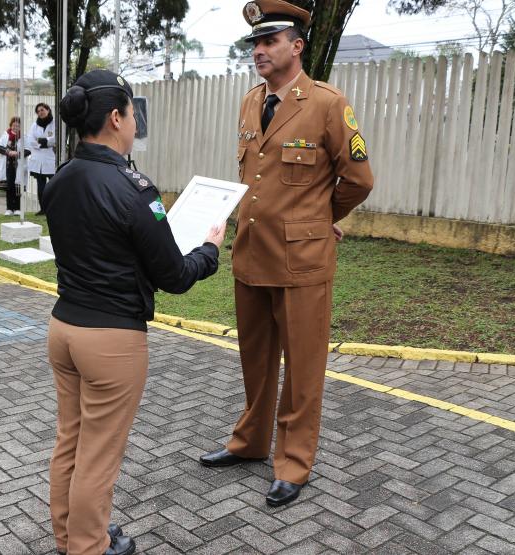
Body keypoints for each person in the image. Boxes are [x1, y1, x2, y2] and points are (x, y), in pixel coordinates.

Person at [199, 0, 374, 508]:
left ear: (296, 46)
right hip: (252, 253)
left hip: (302, 261)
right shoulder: (251, 101)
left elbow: (359, 178)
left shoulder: (326, 103)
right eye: (254, 42)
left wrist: (320, 220)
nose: (258, 51)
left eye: (269, 41)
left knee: (301, 367)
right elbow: (253, 179)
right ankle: (250, 442)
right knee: (254, 359)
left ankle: (294, 462)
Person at [44, 69, 224, 555]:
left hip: (64, 327)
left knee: (71, 442)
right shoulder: (133, 188)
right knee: (98, 456)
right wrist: (209, 250)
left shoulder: (60, 178)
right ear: (116, 118)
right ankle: (88, 547)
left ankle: (73, 537)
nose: (134, 122)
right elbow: (174, 276)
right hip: (111, 339)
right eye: (130, 113)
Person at [28, 102, 56, 215]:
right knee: (41, 186)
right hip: (38, 159)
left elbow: (55, 138)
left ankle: (53, 208)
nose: (40, 112)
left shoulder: (54, 124)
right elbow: (31, 140)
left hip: (50, 158)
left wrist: (45, 141)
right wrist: (43, 143)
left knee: (53, 185)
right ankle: (43, 209)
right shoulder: (34, 125)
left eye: (42, 110)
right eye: (38, 111)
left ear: (48, 110)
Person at [0, 116, 28, 216]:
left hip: (19, 166)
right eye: (14, 125)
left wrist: (18, 154)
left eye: (18, 125)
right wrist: (8, 152)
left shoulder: (24, 136)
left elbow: (28, 150)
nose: (15, 127)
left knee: (17, 187)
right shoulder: (5, 135)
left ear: (20, 127)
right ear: (11, 125)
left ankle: (18, 208)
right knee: (9, 187)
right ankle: (9, 208)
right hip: (8, 166)